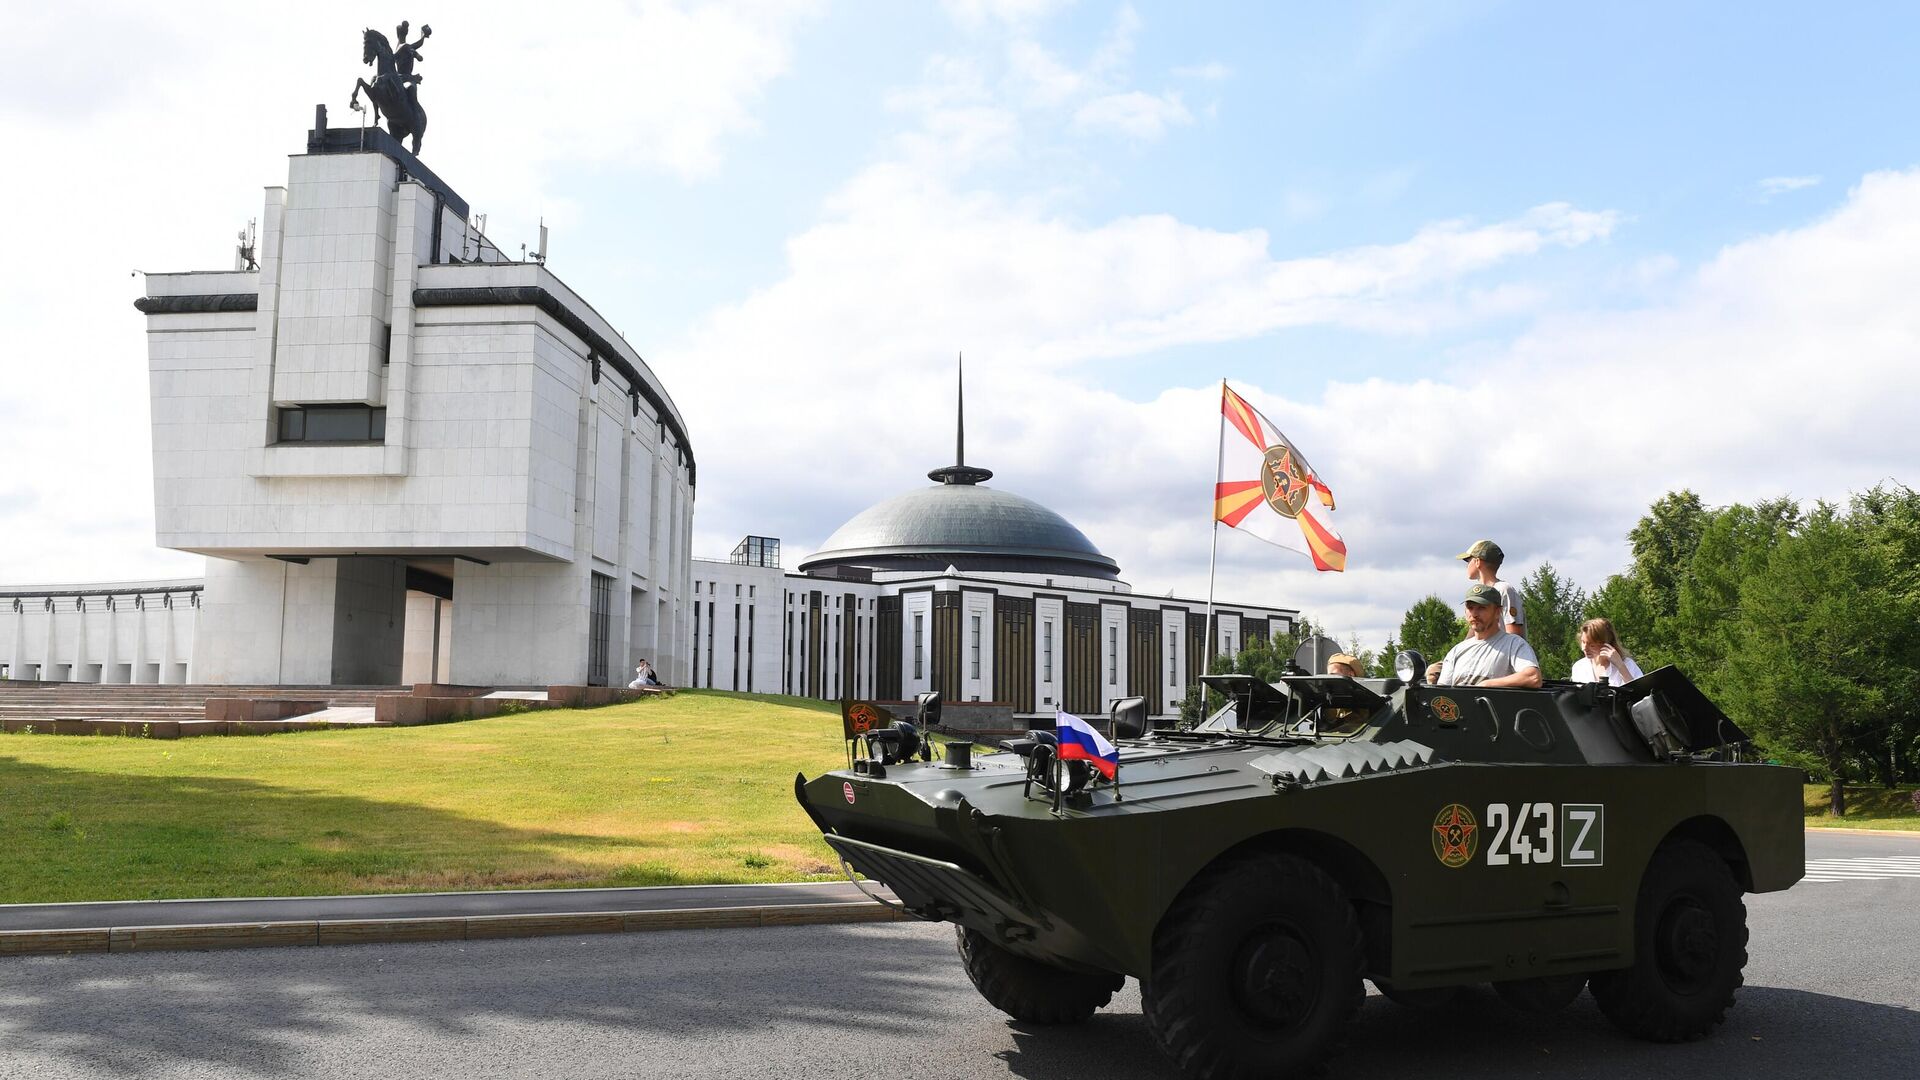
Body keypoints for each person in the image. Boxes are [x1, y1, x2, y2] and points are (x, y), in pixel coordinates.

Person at [1425, 583, 1542, 688]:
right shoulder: (1456, 651)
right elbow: (1442, 694)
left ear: (1498, 612)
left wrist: (1487, 684)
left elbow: (1533, 677)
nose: (1474, 614)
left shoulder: (1513, 644)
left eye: (1482, 608)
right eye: (1470, 608)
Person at [1458, 539, 1526, 637]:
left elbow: (1514, 637)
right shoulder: (1476, 595)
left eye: (1468, 560)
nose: (1467, 566)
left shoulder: (1504, 589)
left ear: (1477, 561)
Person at [1570, 618, 1643, 685]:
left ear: (1606, 644)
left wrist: (1620, 666)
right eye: (1583, 642)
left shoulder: (1627, 664)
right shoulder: (1579, 667)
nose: (1584, 648)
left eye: (1591, 645)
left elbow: (1640, 694)